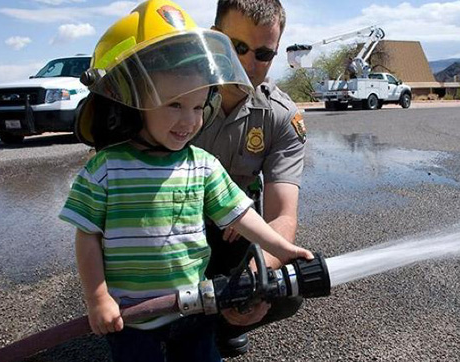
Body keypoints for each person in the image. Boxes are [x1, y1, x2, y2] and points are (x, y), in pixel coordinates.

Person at [58, 1, 313, 361]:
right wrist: (98, 297)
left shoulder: (215, 155)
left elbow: (256, 215)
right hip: (136, 309)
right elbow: (89, 234)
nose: (189, 121)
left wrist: (266, 270)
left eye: (263, 53)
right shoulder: (107, 167)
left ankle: (227, 326)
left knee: (266, 300)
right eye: (174, 105)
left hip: (200, 290)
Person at [192, 0, 308, 356]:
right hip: (166, 224)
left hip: (233, 230)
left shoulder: (280, 118)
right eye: (237, 46)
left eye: (263, 53)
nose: (247, 63)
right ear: (214, 36)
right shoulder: (175, 96)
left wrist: (256, 275)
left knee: (285, 288)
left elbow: (283, 217)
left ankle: (221, 322)